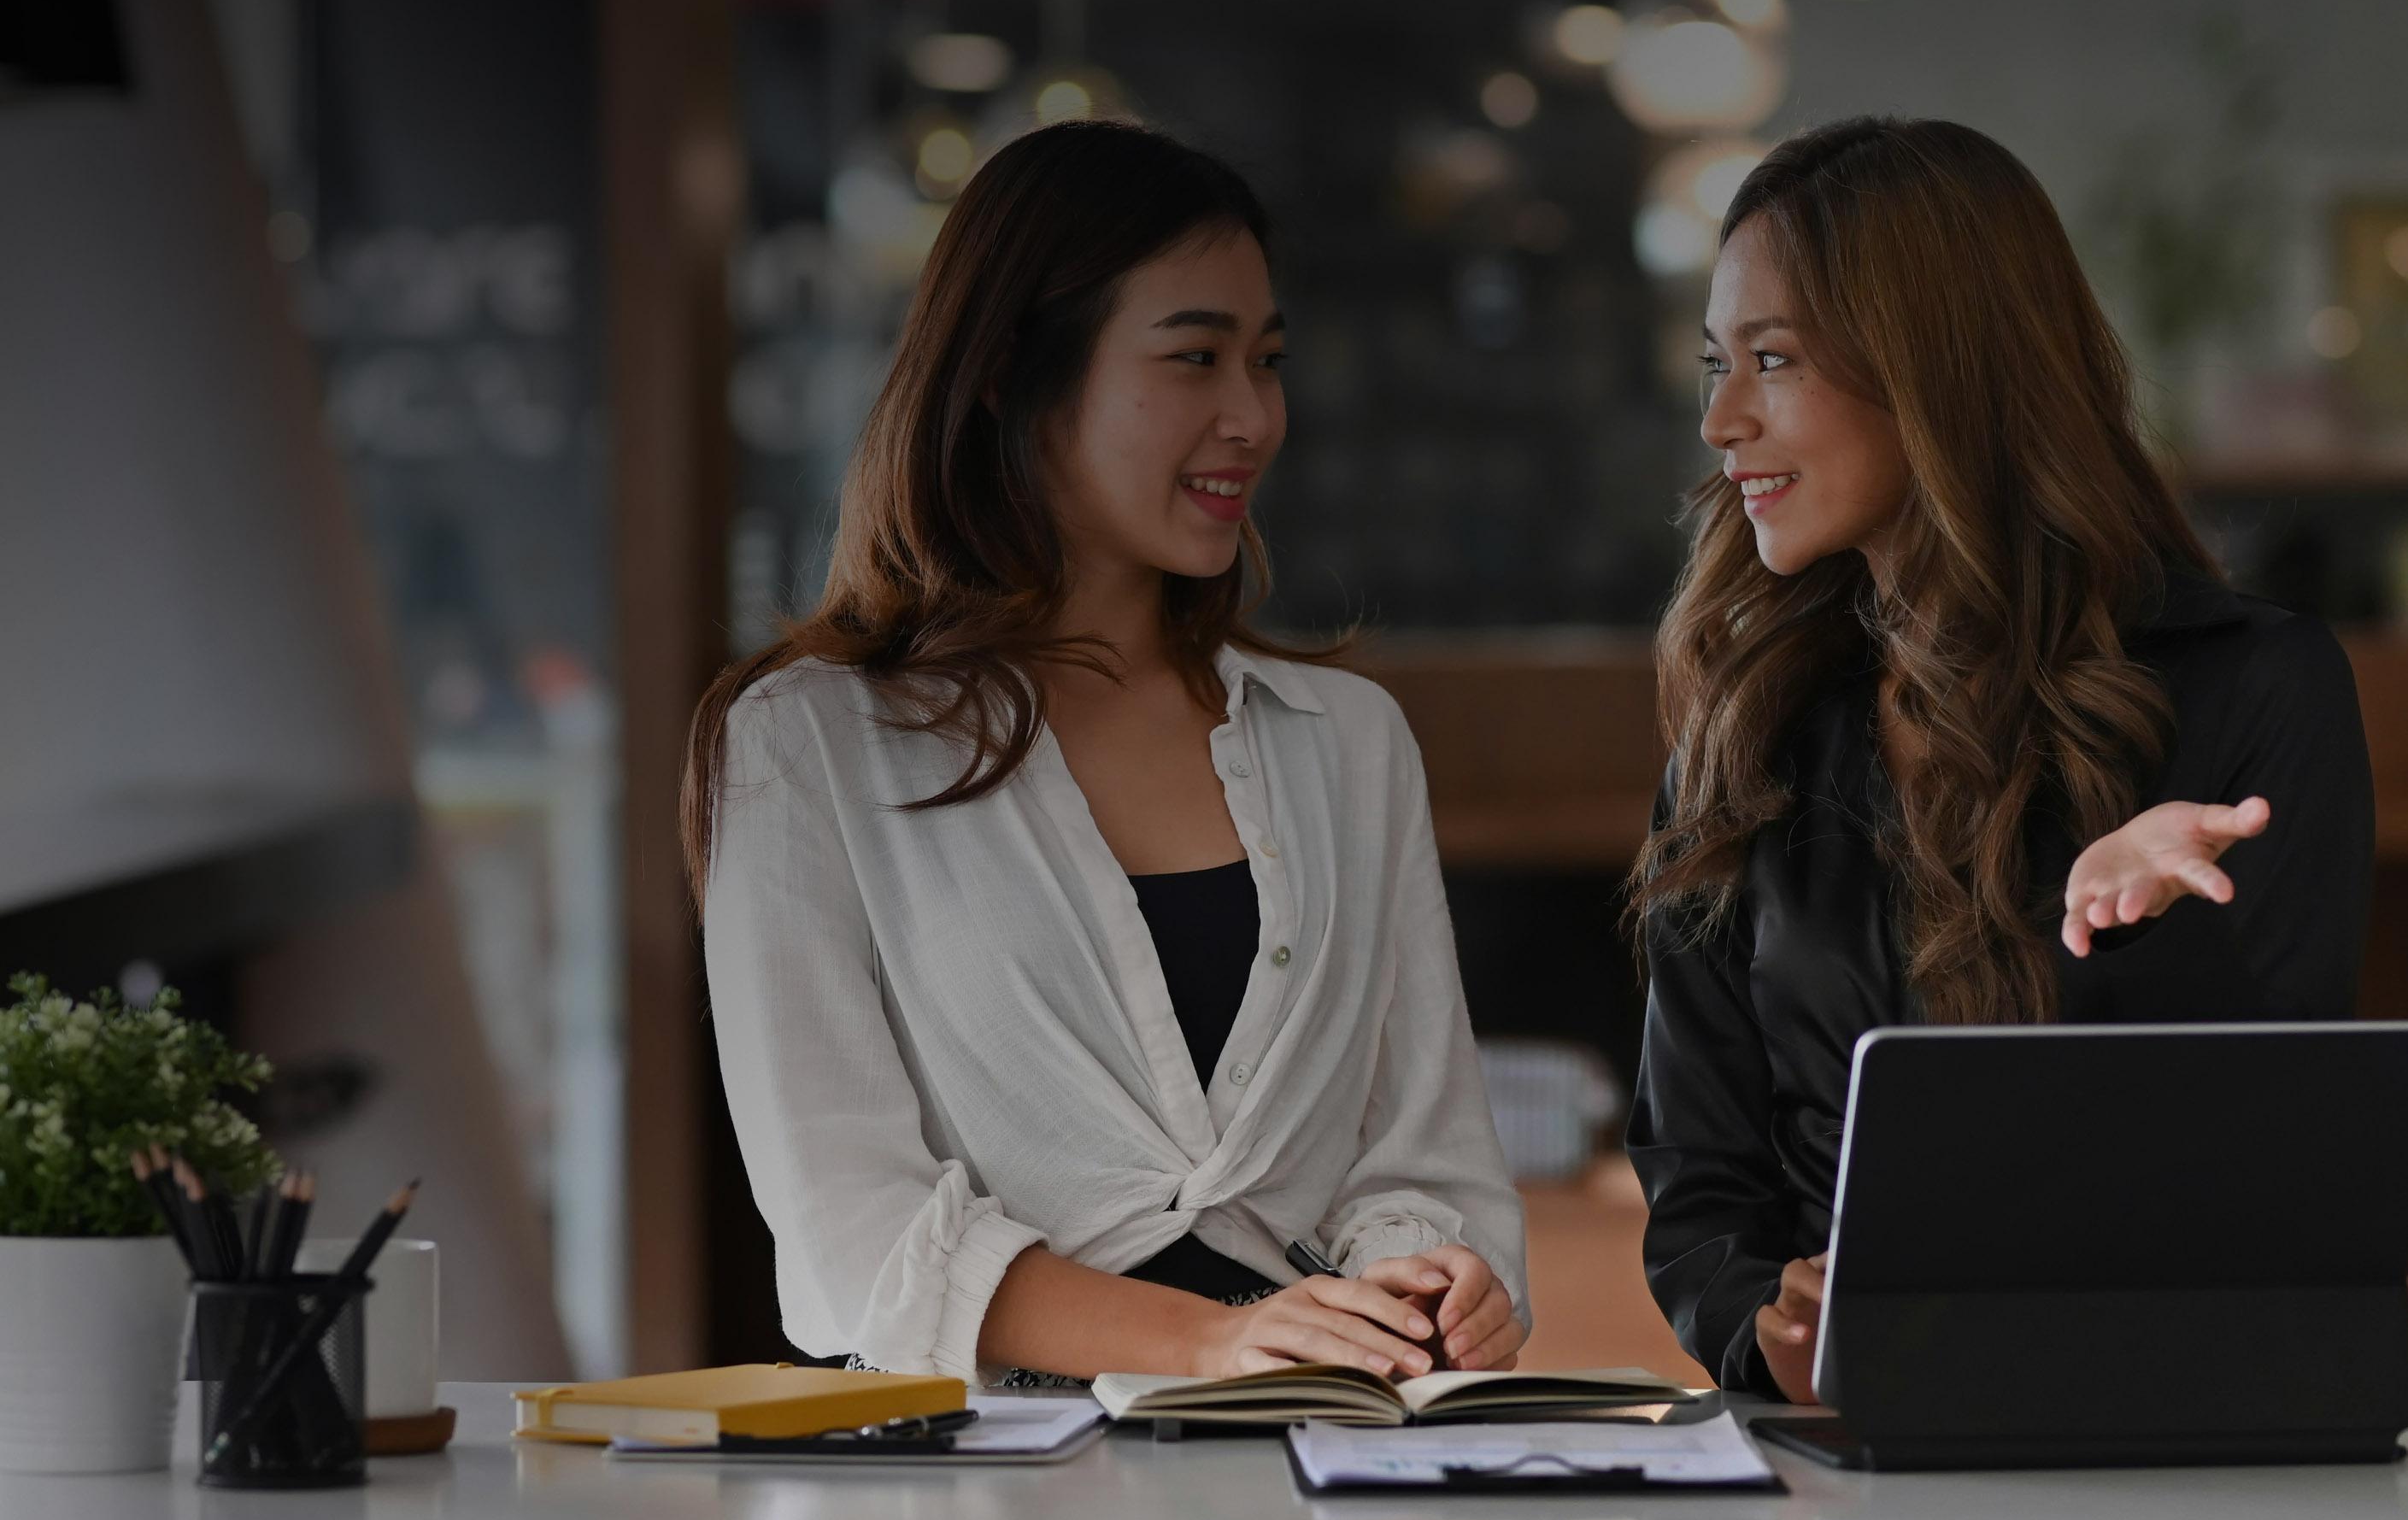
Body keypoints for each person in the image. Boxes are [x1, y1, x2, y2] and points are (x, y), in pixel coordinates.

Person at [686, 120, 1526, 1385]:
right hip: (980, 1497)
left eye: (1268, 360)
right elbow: (846, 1235)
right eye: (1193, 357)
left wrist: (1432, 1277)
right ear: (1008, 374)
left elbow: (1420, 1157)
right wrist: (1218, 1338)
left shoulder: (1346, 745)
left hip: (1317, 1468)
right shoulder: (808, 747)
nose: (1250, 414)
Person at [1624, 115, 2374, 1406]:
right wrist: (1766, 1328)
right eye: (1714, 364)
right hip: (1837, 1470)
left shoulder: (2255, 685)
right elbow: (1697, 1180)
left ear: (1935, 369)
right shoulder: (1750, 733)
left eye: (1772, 358)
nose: (1722, 419)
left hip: (2150, 1445)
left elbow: (2262, 1174)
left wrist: (2129, 932)